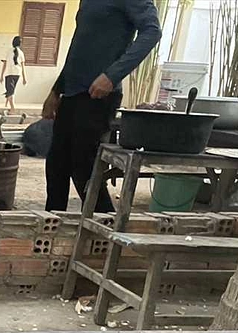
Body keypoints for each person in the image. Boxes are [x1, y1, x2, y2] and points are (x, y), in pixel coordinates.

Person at [42, 0, 162, 213]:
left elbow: (152, 32)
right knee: (56, 166)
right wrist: (56, 89)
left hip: (99, 95)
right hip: (72, 92)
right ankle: (51, 229)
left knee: (84, 169)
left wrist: (112, 76)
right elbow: (79, 45)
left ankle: (104, 230)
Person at [0, 36, 27, 113]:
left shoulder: (8, 51)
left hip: (9, 74)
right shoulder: (21, 53)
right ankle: (8, 105)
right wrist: (24, 78)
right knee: (11, 91)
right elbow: (23, 66)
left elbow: (4, 64)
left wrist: (1, 75)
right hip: (17, 74)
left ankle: (12, 108)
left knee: (9, 91)